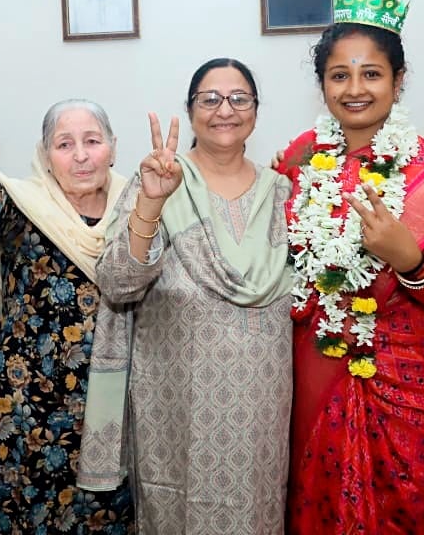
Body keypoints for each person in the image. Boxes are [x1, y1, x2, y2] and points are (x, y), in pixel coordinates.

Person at [274, 0, 424, 534]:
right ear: (322, 84)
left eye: (371, 74)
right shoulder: (302, 156)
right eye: (339, 75)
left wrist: (410, 260)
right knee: (313, 496)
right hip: (317, 358)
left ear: (398, 82)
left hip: (408, 373)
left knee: (406, 504)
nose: (355, 89)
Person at [78, 58, 293, 535]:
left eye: (239, 99)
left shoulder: (282, 192)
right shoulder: (161, 180)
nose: (225, 110)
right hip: (173, 402)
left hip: (264, 403)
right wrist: (153, 200)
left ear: (256, 110)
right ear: (190, 110)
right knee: (176, 508)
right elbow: (118, 283)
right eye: (209, 99)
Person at [0, 43, 134, 534]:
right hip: (25, 407)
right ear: (46, 155)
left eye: (92, 141)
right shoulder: (23, 208)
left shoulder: (142, 209)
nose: (81, 156)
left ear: (113, 146)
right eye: (65, 144)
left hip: (117, 404)